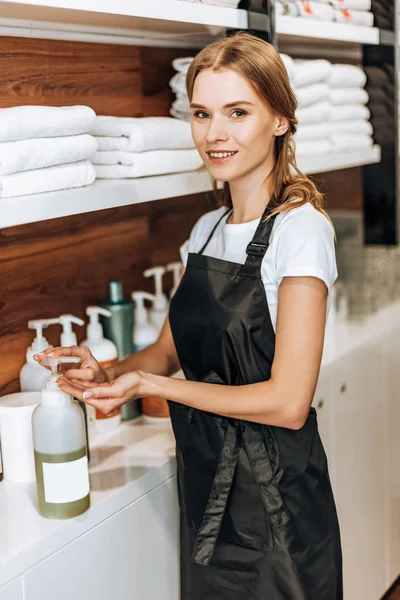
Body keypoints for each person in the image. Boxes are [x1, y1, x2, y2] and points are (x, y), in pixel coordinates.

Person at [35, 31, 343, 600]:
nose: (214, 134)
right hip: (207, 489)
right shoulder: (204, 234)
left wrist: (154, 385)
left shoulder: (301, 232)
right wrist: (107, 373)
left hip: (276, 503)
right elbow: (166, 353)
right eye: (202, 113)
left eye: (237, 112)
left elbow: (288, 401)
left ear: (279, 118)